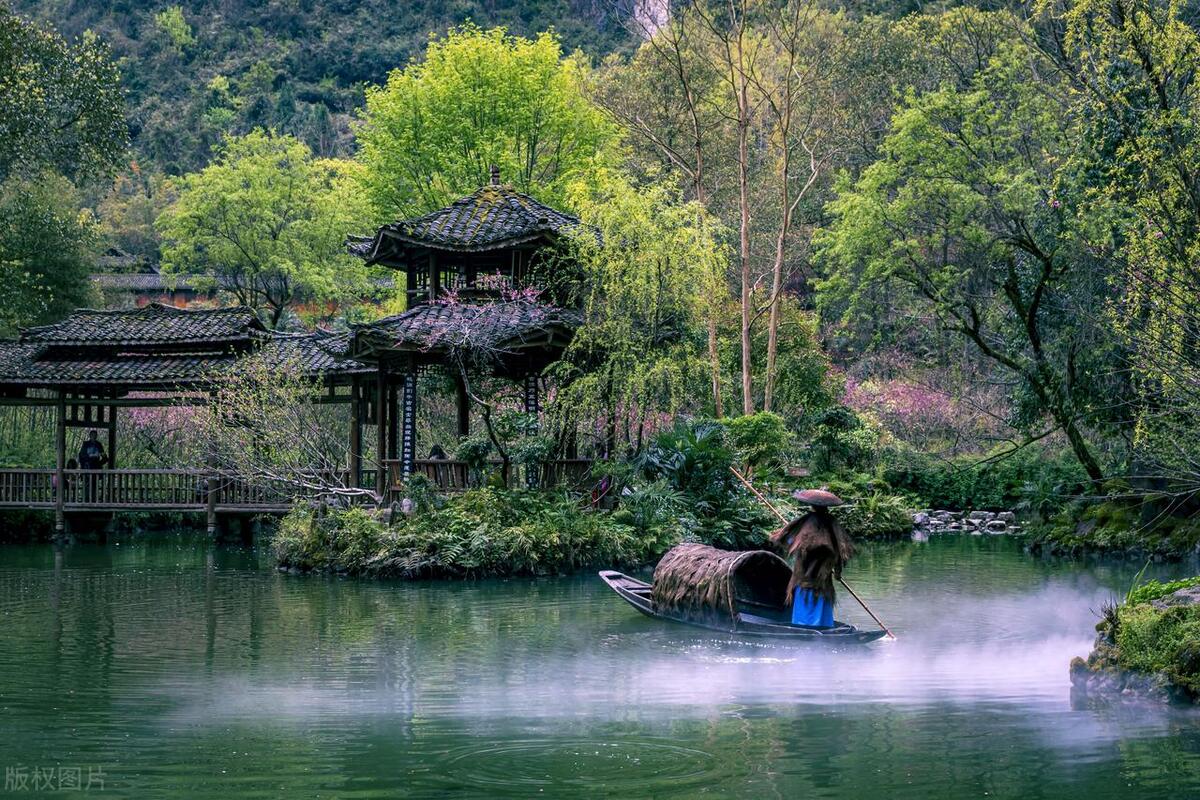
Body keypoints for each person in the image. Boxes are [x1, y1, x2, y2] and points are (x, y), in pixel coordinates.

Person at [769, 489, 854, 629]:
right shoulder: (831, 522)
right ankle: (823, 627)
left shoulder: (807, 521)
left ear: (812, 506)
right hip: (822, 575)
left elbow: (789, 540)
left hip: (806, 574)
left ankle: (805, 627)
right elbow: (840, 550)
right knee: (818, 596)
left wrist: (793, 538)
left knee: (806, 597)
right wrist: (838, 572)